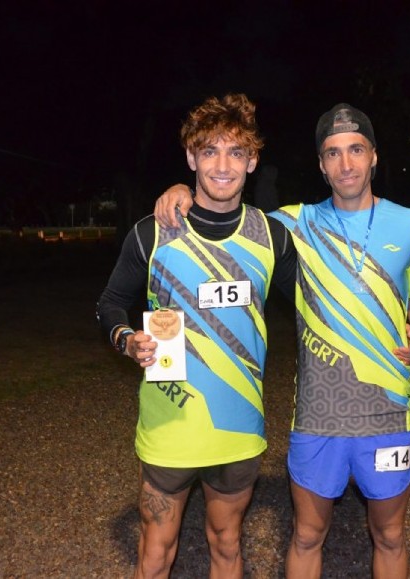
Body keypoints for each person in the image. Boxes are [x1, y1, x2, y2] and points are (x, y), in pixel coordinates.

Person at [155, 103, 410, 578]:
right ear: (321, 165)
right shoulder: (291, 224)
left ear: (374, 156)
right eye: (333, 153)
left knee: (391, 535)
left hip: (389, 411)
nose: (346, 164)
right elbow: (225, 210)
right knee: (304, 535)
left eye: (356, 150)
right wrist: (180, 189)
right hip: (318, 415)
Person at [96, 93, 296, 579]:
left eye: (235, 152)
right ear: (191, 159)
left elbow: (319, 309)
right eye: (209, 151)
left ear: (252, 160)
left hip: (238, 430)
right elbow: (109, 304)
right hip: (171, 426)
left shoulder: (272, 237)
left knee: (226, 544)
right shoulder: (152, 232)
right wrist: (127, 339)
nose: (222, 165)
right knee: (156, 549)